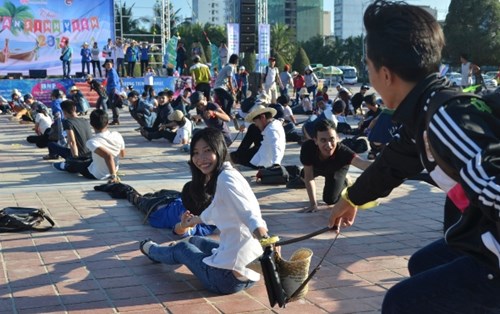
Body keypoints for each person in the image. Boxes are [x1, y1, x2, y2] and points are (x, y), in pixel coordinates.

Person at [327, 1, 500, 312]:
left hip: (494, 251)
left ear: (385, 73)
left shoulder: (443, 120)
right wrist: (351, 198)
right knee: (425, 263)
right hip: (481, 234)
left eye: (367, 66)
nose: (369, 76)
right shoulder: (425, 112)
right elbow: (392, 164)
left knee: (401, 303)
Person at [139, 127, 271, 295]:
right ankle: (172, 251)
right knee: (194, 240)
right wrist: (193, 221)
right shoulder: (228, 173)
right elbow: (217, 210)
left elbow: (250, 214)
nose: (200, 159)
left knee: (182, 250)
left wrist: (266, 239)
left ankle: (151, 250)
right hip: (249, 274)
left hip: (225, 279)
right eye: (195, 152)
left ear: (219, 149)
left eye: (207, 151)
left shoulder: (226, 179)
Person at [289, 119, 371, 213]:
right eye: (323, 140)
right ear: (315, 141)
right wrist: (313, 204)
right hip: (318, 167)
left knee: (330, 200)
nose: (328, 145)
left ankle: (344, 180)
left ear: (337, 138)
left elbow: (362, 164)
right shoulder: (308, 148)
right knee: (303, 175)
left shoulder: (343, 152)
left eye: (331, 139)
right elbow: (309, 177)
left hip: (336, 169)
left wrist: (384, 164)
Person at [53, 109, 125, 183]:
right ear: (107, 123)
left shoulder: (92, 141)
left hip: (97, 174)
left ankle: (65, 165)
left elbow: (108, 156)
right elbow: (122, 154)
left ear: (91, 124)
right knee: (87, 159)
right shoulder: (117, 135)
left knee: (74, 162)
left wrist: (113, 176)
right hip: (112, 169)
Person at [231, 104, 286, 169]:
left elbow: (276, 146)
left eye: (256, 122)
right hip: (261, 156)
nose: (256, 125)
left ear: (262, 117)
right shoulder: (275, 123)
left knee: (233, 156)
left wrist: (276, 164)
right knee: (234, 156)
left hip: (265, 163)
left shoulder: (272, 130)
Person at [103, 60, 121, 125]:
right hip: (110, 89)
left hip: (113, 89)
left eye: (109, 64)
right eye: (106, 65)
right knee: (112, 105)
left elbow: (114, 81)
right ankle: (115, 119)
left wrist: (114, 89)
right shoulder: (109, 72)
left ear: (112, 64)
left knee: (114, 105)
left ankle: (116, 119)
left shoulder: (112, 71)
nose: (108, 66)